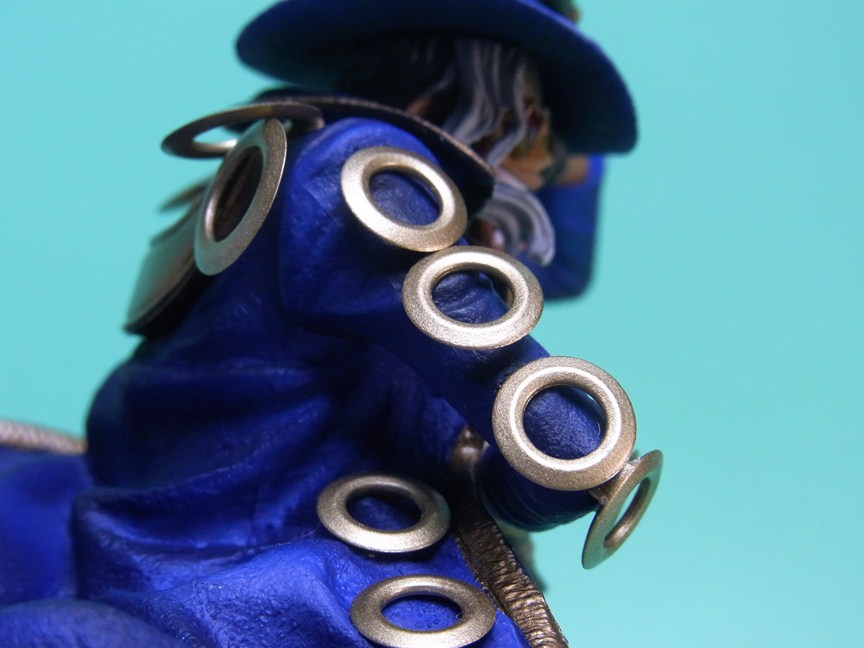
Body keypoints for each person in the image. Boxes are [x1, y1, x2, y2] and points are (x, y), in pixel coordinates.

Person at [0, 1, 661, 646]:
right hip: (254, 506)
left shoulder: (420, 185)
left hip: (313, 480)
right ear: (441, 103)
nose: (546, 161)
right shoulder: (365, 168)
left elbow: (558, 269)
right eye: (532, 123)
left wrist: (570, 149)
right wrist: (575, 449)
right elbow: (459, 320)